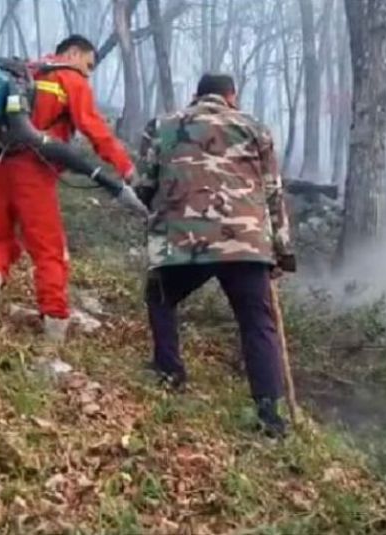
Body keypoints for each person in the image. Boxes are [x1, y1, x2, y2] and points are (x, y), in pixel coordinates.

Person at [134, 73, 296, 437]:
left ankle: (168, 371)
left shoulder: (162, 125)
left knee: (160, 296)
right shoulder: (255, 128)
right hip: (246, 242)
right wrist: (282, 254)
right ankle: (270, 413)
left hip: (184, 239)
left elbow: (144, 184)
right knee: (257, 322)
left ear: (197, 94)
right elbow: (273, 193)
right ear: (231, 96)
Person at [0, 35, 135, 343]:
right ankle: (54, 317)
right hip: (34, 169)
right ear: (73, 52)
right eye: (89, 64)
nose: (89, 72)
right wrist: (126, 169)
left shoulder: (20, 72)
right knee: (47, 247)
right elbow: (96, 130)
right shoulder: (70, 79)